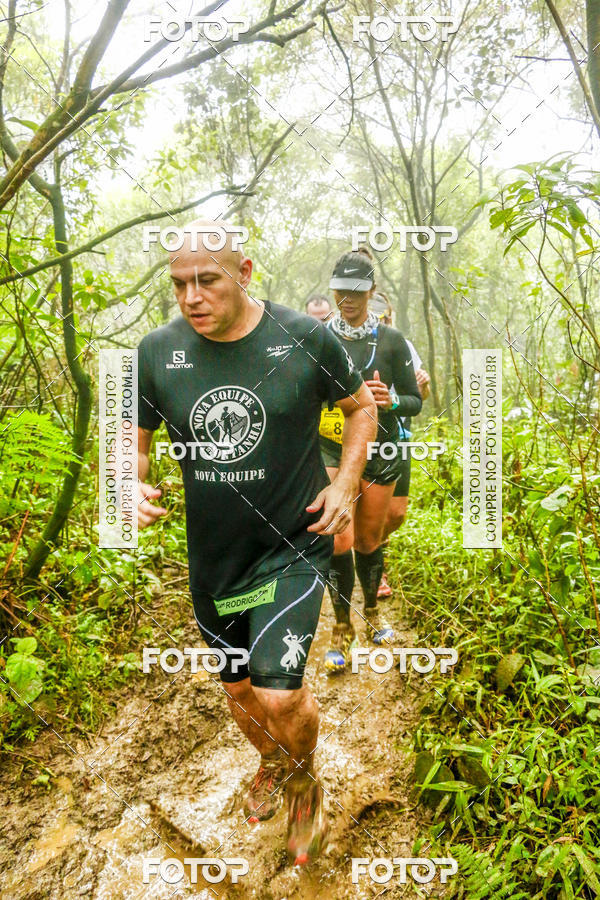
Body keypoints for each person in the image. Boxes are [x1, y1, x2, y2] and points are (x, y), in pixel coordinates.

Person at [136, 220, 376, 865]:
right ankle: (274, 759)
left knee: (279, 691)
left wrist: (346, 482)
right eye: (179, 284)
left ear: (243, 273)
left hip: (292, 542)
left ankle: (304, 785)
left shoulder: (305, 337)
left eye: (207, 280)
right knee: (240, 690)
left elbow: (362, 408)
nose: (191, 297)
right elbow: (130, 439)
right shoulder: (156, 352)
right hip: (214, 558)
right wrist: (130, 487)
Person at [318, 250, 422, 672]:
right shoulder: (318, 335)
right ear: (334, 290)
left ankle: (373, 615)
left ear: (372, 291)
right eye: (342, 290)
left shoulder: (393, 341)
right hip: (331, 446)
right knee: (338, 539)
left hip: (382, 449)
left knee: (367, 541)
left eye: (358, 291)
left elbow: (415, 401)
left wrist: (391, 399)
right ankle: (341, 628)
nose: (349, 298)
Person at [367, 292, 431, 599]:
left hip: (399, 438)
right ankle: (374, 571)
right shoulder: (355, 346)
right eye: (377, 317)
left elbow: (421, 398)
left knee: (395, 514)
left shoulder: (403, 345)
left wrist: (424, 385)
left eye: (386, 316)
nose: (383, 322)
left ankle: (369, 545)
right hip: (359, 437)